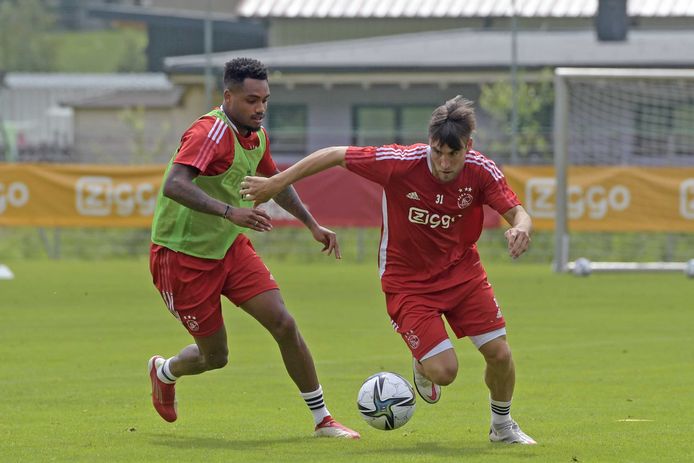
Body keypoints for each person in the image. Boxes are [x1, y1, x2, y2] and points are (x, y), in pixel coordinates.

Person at [240, 96, 536, 445]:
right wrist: (276, 183)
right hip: (407, 284)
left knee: (499, 354)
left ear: (468, 147)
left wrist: (522, 228)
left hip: (463, 275)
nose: (443, 163)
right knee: (445, 372)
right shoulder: (400, 162)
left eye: (452, 155)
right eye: (437, 151)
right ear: (430, 143)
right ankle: (424, 363)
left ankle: (502, 427)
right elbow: (335, 153)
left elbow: (518, 212)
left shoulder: (481, 170)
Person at [147, 57, 359, 439]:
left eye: (265, 99)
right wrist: (231, 212)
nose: (260, 108)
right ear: (228, 96)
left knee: (284, 322)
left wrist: (311, 224)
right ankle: (165, 371)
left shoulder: (255, 134)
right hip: (182, 258)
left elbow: (275, 180)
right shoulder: (209, 132)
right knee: (216, 357)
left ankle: (322, 419)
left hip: (229, 248)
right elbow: (174, 184)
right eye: (250, 100)